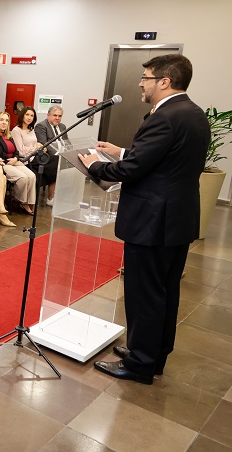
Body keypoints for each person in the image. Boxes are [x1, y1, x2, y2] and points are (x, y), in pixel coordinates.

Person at [79, 54, 209, 385]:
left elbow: (135, 169)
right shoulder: (192, 113)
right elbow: (164, 159)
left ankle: (139, 364)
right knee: (164, 291)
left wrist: (95, 164)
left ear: (164, 81)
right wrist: (122, 151)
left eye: (146, 77)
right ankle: (153, 353)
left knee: (144, 293)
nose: (140, 82)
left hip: (152, 221)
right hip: (176, 219)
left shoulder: (164, 116)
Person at [0, 112, 36, 214]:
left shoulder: (8, 135)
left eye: (6, 120)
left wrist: (16, 159)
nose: (4, 123)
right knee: (23, 178)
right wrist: (14, 161)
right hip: (1, 164)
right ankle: (18, 200)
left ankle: (28, 202)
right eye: (1, 120)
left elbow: (16, 151)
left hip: (13, 161)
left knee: (32, 175)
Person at [12, 106, 55, 196]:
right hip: (26, 159)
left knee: (55, 162)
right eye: (27, 115)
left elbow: (34, 143)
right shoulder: (16, 130)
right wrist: (35, 148)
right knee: (54, 162)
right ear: (22, 116)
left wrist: (41, 147)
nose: (29, 117)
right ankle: (49, 194)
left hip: (35, 156)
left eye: (32, 115)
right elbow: (21, 151)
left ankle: (47, 192)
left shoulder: (31, 129)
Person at [34, 106, 70, 205]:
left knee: (74, 161)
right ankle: (51, 198)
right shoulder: (41, 126)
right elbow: (43, 144)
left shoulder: (62, 126)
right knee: (57, 161)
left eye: (59, 116)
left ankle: (64, 196)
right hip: (48, 157)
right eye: (55, 115)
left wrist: (68, 153)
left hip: (62, 155)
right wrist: (60, 154)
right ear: (48, 115)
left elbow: (67, 142)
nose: (57, 118)